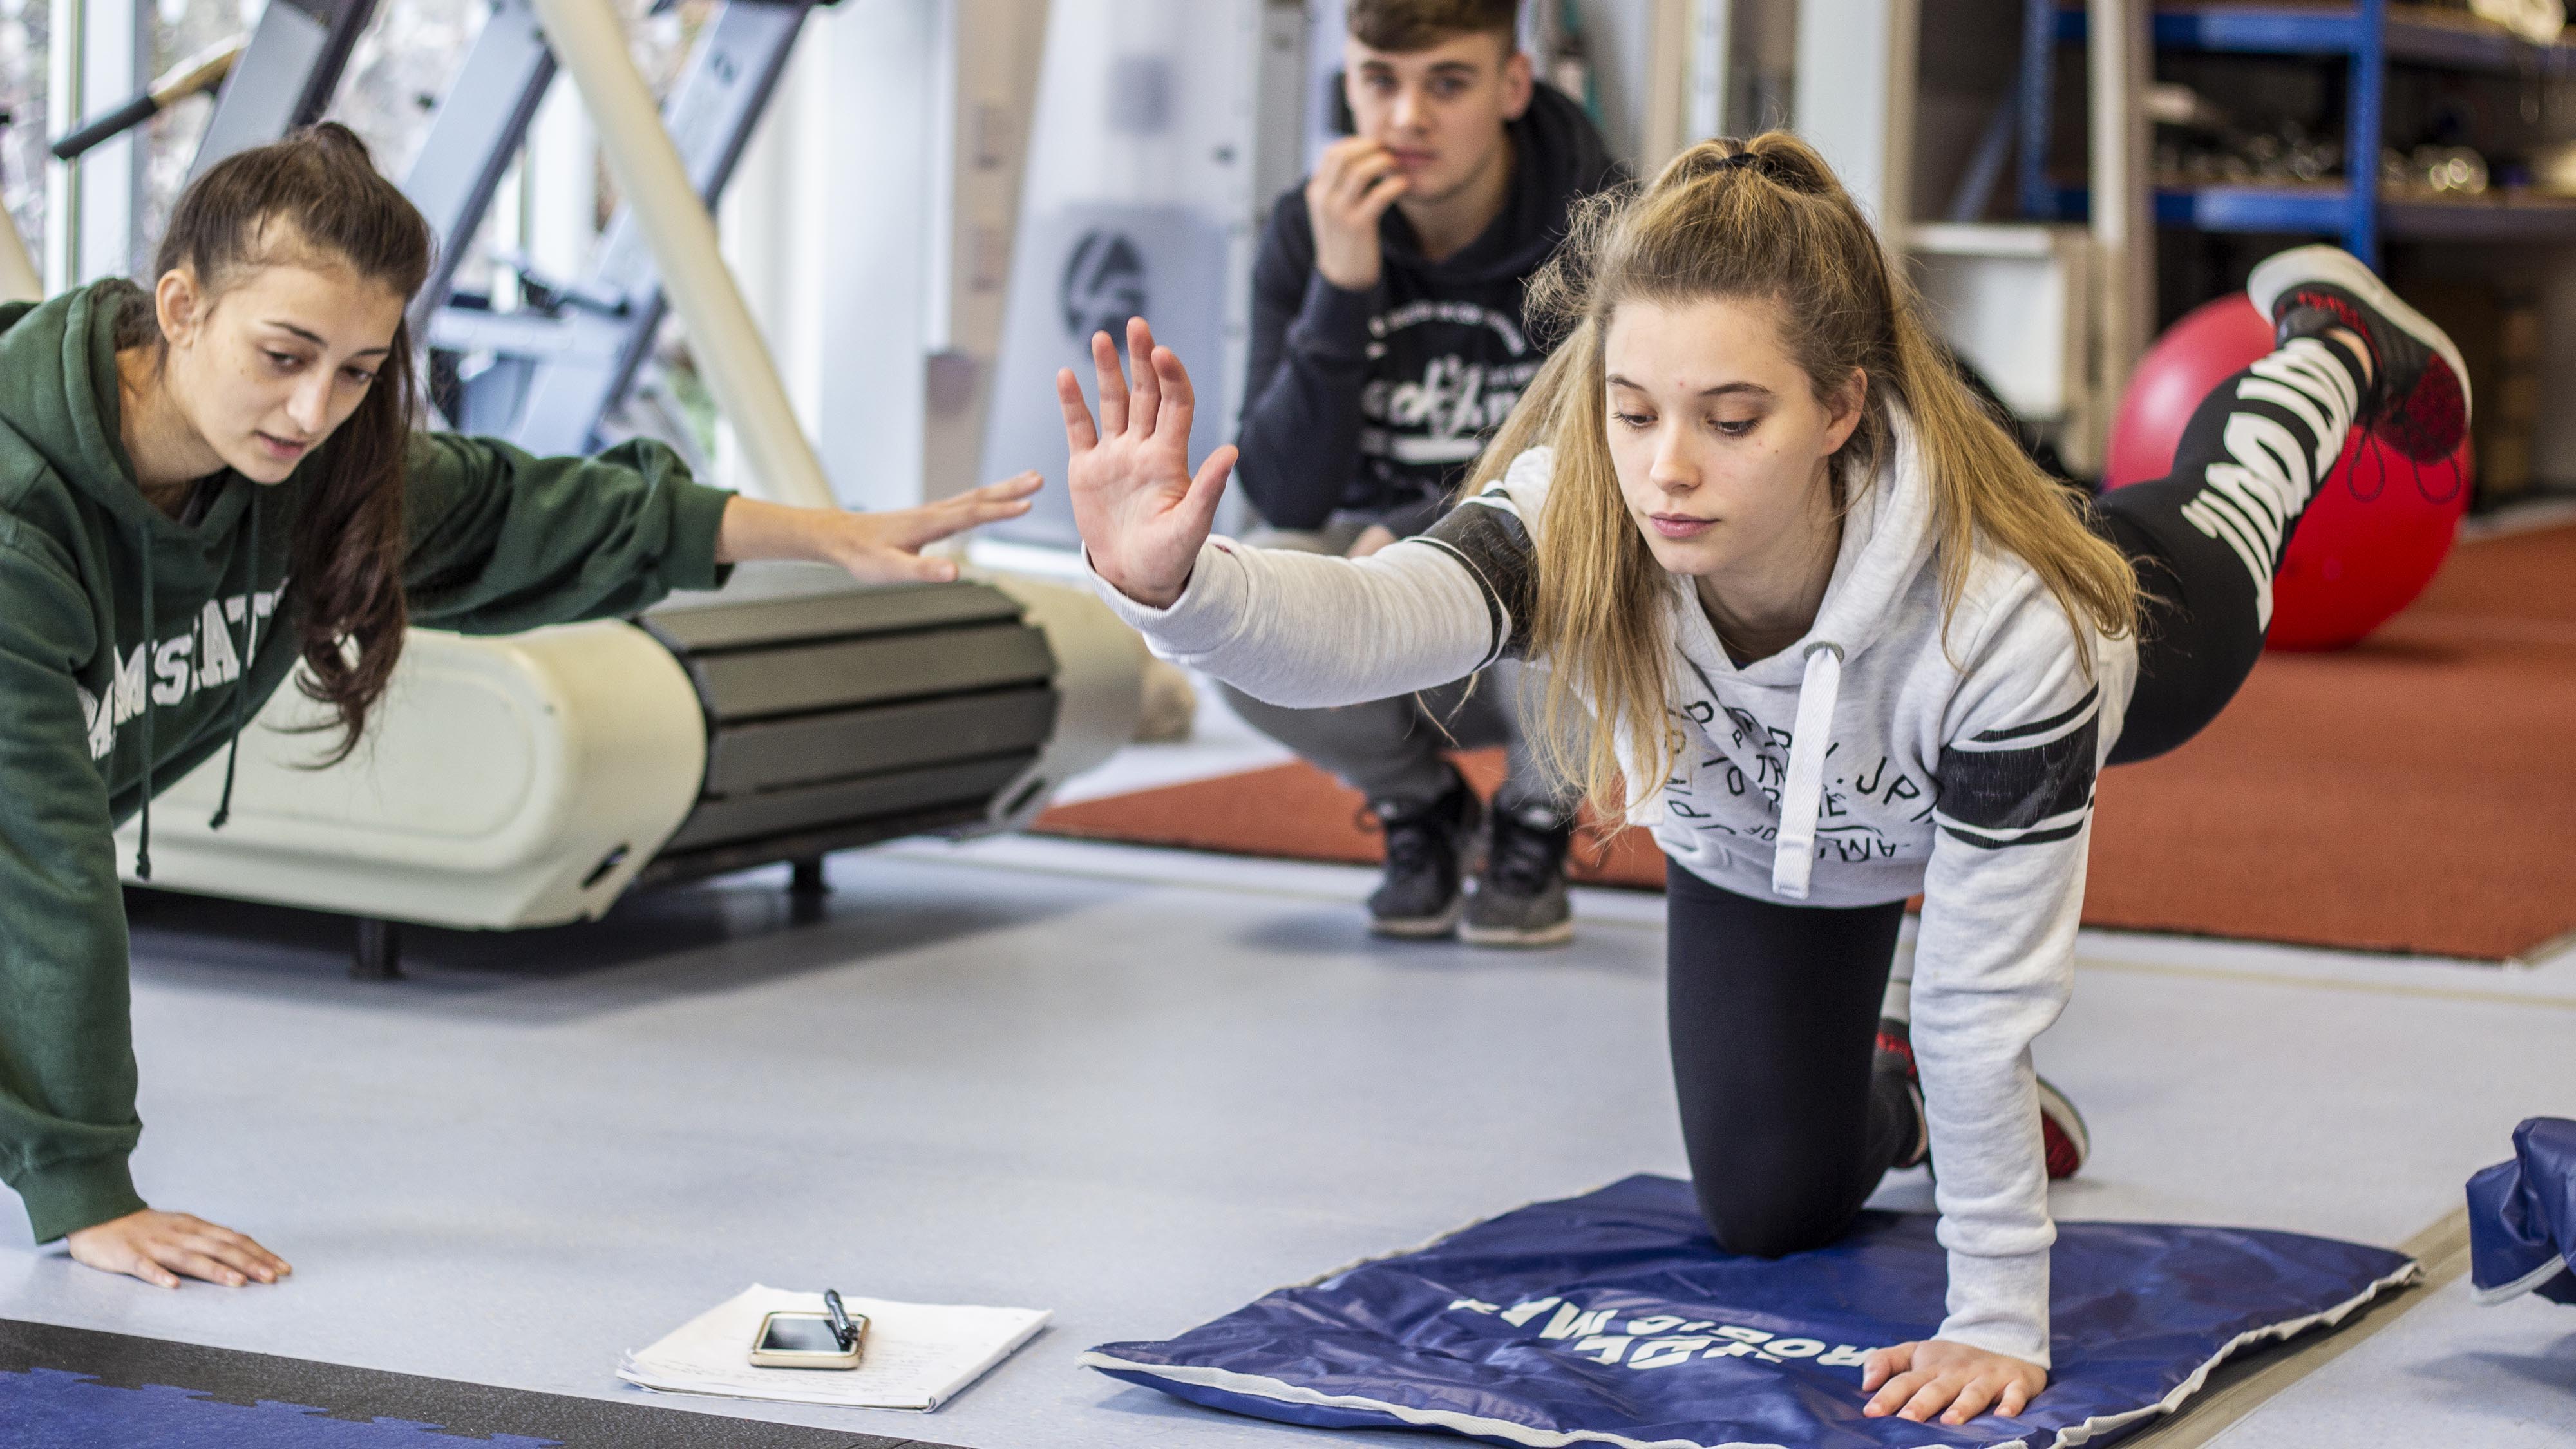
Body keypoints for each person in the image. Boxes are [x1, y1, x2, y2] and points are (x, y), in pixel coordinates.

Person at [1059, 133, 2463, 1424]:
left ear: (1841, 403)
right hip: (1767, 838)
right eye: (1630, 411)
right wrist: (1179, 588)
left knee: (2221, 547)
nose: (1665, 471)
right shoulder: (1589, 512)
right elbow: (1376, 621)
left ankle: (2325, 355)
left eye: (1730, 419)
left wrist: (1992, 1316)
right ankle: (1885, 1090)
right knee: (1762, 1209)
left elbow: (1982, 1000)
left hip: (2081, 655)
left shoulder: (2010, 627)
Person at [0, 125, 1041, 1290]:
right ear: (181, 304)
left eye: (355, 369)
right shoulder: (17, 528)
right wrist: (85, 1186)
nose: (312, 410)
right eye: (284, 354)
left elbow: (523, 513)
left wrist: (823, 536)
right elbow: (37, 860)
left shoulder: (295, 471)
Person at [1229, 0, 1617, 947]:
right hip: (1384, 631)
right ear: (1348, 84)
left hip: (1541, 613)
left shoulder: (1604, 227)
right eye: (1380, 82)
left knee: (1628, 566)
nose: (1406, 119)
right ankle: (1422, 811)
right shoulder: (1307, 226)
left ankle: (1535, 818)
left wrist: (1420, 530)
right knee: (1239, 601)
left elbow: (1609, 470)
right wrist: (1343, 286)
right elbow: (1285, 494)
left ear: (1512, 86)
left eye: (1447, 83)